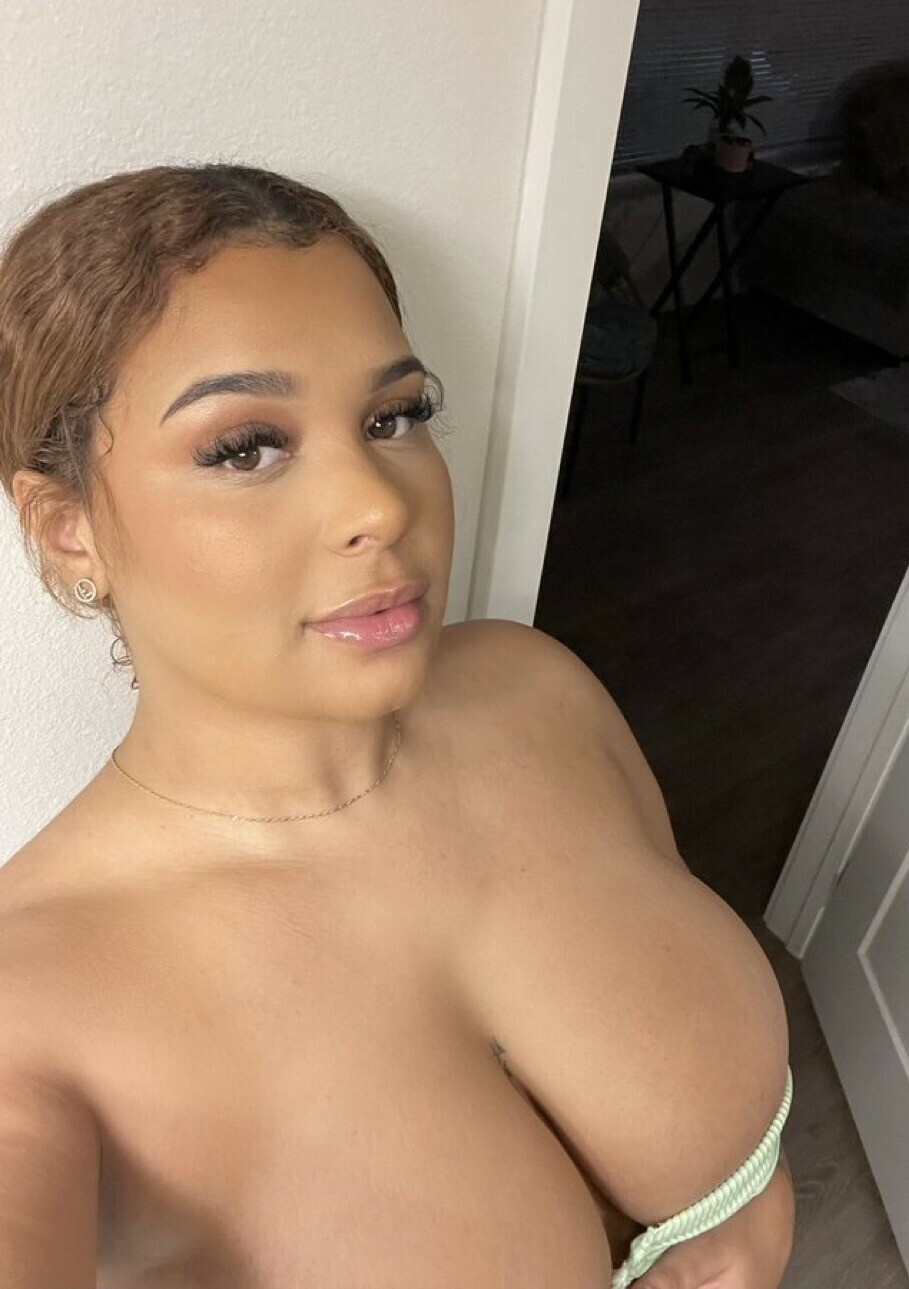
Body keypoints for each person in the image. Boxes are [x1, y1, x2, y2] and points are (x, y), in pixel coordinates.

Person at [0, 163, 795, 1288]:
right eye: (245, 446)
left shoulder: (535, 688)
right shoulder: (31, 1012)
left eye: (394, 416)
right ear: (69, 528)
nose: (381, 502)